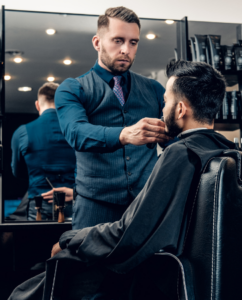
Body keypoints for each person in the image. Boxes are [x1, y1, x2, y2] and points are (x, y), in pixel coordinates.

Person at [8, 60, 237, 300]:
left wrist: (70, 239)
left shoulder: (180, 154)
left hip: (160, 276)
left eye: (166, 101)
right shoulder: (229, 153)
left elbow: (130, 235)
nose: (161, 110)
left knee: (27, 291)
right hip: (200, 280)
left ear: (180, 109)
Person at [53, 6, 171, 230]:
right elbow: (76, 133)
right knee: (90, 265)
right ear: (97, 43)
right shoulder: (72, 88)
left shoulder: (154, 89)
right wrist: (124, 134)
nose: (126, 49)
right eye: (118, 40)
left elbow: (175, 136)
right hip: (94, 206)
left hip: (145, 204)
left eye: (133, 42)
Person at [11, 83, 76, 221]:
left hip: (39, 204)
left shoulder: (22, 132)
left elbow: (17, 171)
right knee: (72, 241)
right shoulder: (76, 131)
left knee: (38, 242)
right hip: (72, 202)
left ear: (37, 105)